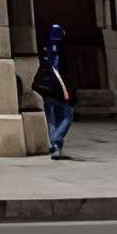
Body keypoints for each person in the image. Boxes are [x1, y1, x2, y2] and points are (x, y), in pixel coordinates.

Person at [35, 21, 74, 158]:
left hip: (48, 90)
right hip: (58, 89)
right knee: (67, 115)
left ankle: (56, 147)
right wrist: (65, 90)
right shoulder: (59, 51)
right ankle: (56, 141)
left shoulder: (45, 50)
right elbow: (58, 72)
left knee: (52, 118)